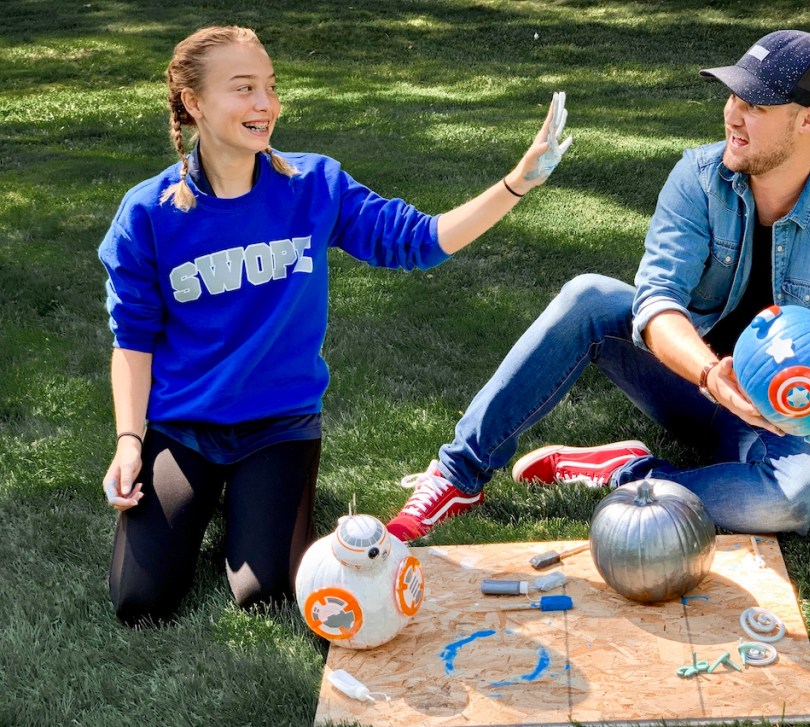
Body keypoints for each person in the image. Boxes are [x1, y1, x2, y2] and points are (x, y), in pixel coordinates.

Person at [99, 25, 573, 626]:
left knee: (264, 590)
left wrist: (515, 184)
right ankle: (207, 495)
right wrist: (129, 444)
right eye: (243, 89)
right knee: (139, 602)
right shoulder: (148, 212)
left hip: (277, 426)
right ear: (193, 102)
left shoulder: (314, 185)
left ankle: (252, 500)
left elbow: (418, 242)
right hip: (183, 426)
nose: (265, 105)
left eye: (270, 88)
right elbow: (133, 340)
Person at [385, 29, 810, 542]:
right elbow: (657, 300)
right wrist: (710, 375)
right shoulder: (699, 177)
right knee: (588, 296)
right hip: (693, 381)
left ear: (809, 119)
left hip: (786, 423)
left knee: (800, 497)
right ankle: (458, 475)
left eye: (756, 105)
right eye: (733, 96)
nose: (732, 114)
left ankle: (631, 475)